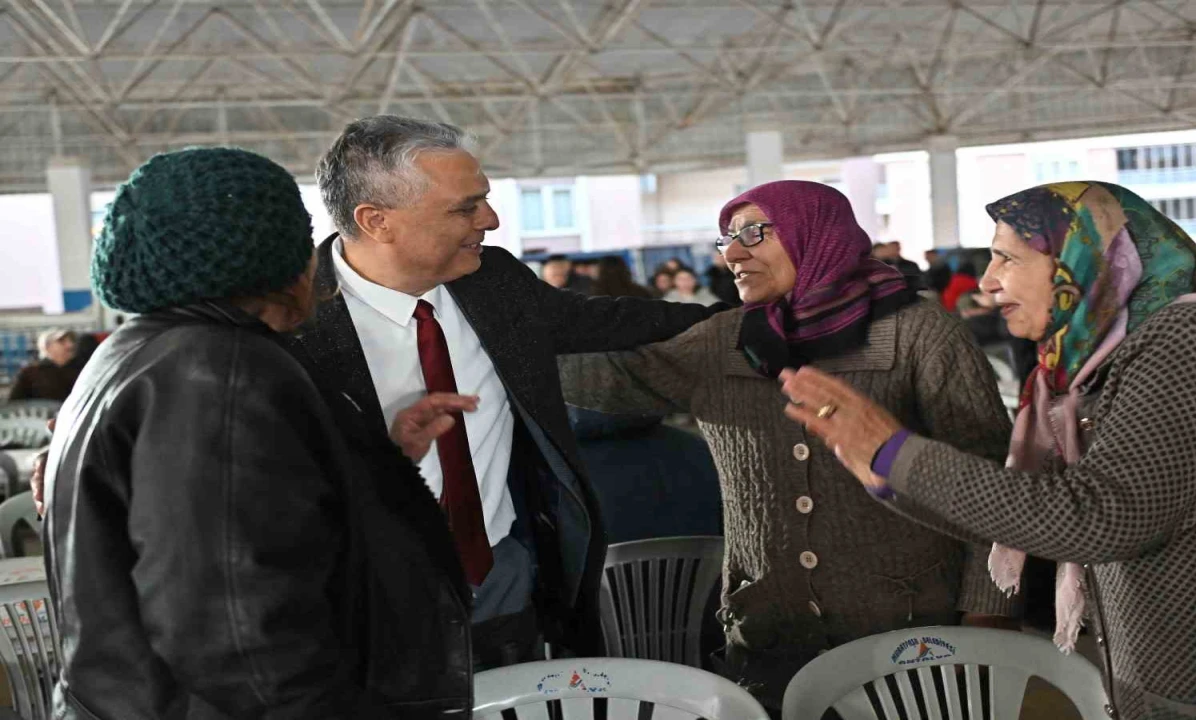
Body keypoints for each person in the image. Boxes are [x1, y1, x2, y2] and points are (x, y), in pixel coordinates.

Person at [781, 181, 1196, 720]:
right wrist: (883, 468)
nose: (988, 283)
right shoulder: (1098, 365)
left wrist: (898, 455)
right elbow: (1033, 513)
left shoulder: (1194, 342)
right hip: (1186, 687)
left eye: (1006, 259)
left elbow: (1098, 517)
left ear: (1081, 260)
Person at [44, 147, 481, 717]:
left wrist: (367, 462)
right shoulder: (220, 373)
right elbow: (235, 630)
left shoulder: (136, 354)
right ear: (271, 259)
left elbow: (215, 525)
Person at [558, 180, 1016, 715]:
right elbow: (605, 378)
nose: (733, 253)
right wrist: (486, 332)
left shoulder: (921, 334)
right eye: (726, 238)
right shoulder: (723, 339)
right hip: (770, 637)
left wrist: (989, 618)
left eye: (754, 232)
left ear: (816, 234)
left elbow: (991, 481)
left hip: (910, 636)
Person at [303, 115, 720, 669]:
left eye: (485, 200)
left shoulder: (491, 281)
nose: (491, 220)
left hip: (500, 577)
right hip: (369, 601)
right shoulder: (292, 325)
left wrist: (754, 320)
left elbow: (614, 321)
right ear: (377, 221)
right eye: (465, 207)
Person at [7, 329, 78, 402]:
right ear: (46, 347)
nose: (70, 345)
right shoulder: (31, 373)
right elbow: (14, 404)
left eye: (71, 341)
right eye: (61, 342)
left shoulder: (78, 371)